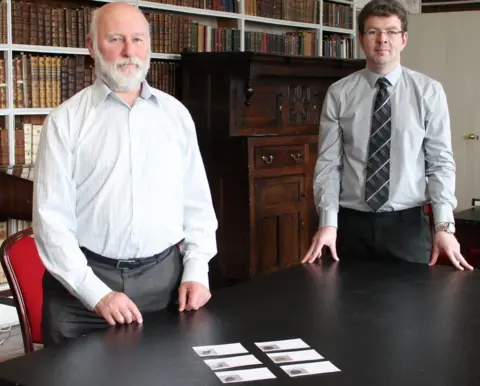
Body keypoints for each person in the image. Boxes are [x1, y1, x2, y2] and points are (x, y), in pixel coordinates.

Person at [32, 2, 218, 347]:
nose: (129, 51)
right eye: (115, 39)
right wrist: (97, 294)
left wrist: (197, 270)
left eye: (138, 39)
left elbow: (198, 206)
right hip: (81, 294)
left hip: (165, 285)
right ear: (91, 46)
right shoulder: (65, 122)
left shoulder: (176, 115)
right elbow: (51, 224)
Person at [302, 0, 473, 271]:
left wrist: (444, 226)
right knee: (345, 310)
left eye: (391, 32)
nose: (383, 40)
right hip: (350, 227)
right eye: (373, 32)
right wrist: (327, 223)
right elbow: (328, 164)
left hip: (406, 229)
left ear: (404, 39)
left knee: (409, 312)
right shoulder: (339, 93)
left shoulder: (429, 92)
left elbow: (440, 162)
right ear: (361, 39)